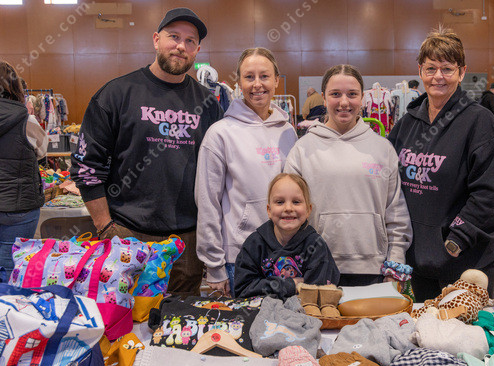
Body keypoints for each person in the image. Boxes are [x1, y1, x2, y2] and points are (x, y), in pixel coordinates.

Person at [70, 8, 224, 296]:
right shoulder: (116, 94)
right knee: (121, 317)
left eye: (190, 41)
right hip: (126, 234)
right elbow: (86, 166)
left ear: (197, 50)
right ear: (156, 40)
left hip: (187, 241)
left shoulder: (208, 104)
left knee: (178, 320)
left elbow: (219, 172)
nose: (181, 46)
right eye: (174, 37)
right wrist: (105, 226)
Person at [388, 28, 494, 301]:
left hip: (465, 261)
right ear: (420, 71)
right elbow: (389, 180)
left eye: (447, 69)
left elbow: (491, 196)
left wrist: (456, 240)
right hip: (421, 261)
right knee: (425, 326)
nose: (438, 76)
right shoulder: (407, 124)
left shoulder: (480, 123)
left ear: (462, 72)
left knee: (467, 328)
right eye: (431, 68)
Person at [285, 64, 412, 286]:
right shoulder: (302, 149)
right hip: (316, 268)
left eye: (352, 94)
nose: (344, 102)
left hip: (374, 269)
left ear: (362, 98)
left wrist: (395, 262)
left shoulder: (383, 149)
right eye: (335, 94)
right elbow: (289, 215)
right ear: (324, 98)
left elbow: (396, 212)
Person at [196, 48, 297, 297]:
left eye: (264, 76)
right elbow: (207, 201)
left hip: (285, 255)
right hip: (240, 257)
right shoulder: (220, 133)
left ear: (276, 80)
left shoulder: (288, 132)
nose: (257, 84)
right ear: (239, 83)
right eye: (249, 77)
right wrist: (214, 265)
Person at [234, 173, 340, 299]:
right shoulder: (254, 244)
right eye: (280, 202)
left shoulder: (316, 246)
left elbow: (318, 294)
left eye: (296, 202)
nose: (288, 208)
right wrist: (291, 284)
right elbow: (243, 290)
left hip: (304, 311)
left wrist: (267, 288)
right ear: (269, 210)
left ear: (308, 210)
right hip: (260, 311)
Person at [0, 61, 47, 277]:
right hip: (19, 206)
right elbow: (42, 152)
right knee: (13, 268)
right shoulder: (26, 120)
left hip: (18, 205)